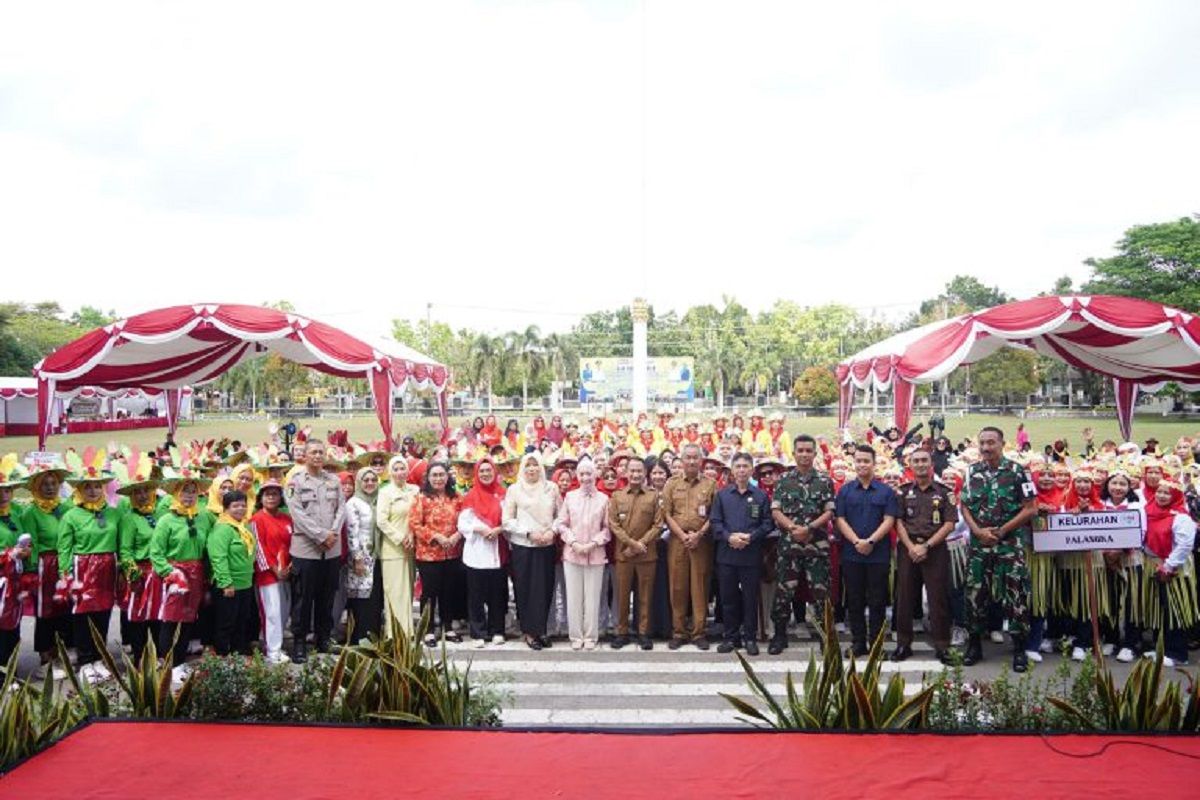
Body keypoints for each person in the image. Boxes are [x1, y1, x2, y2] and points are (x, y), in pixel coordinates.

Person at [960, 427, 1038, 671]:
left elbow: (1031, 508)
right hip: (979, 544)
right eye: (982, 443)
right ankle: (974, 645)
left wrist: (1002, 531)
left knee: (1015, 595)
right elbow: (964, 506)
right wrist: (978, 531)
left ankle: (1019, 649)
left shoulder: (1018, 472)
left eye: (991, 443)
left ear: (1002, 444)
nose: (986, 448)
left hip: (1009, 545)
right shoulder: (971, 471)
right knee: (975, 594)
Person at [769, 434, 836, 655]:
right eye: (801, 450)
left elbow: (829, 511)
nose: (805, 454)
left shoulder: (825, 480)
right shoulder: (784, 480)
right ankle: (779, 636)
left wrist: (809, 528)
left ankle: (825, 637)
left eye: (809, 451)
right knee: (783, 592)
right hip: (789, 547)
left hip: (817, 546)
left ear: (815, 454)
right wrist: (792, 528)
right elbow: (776, 510)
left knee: (820, 593)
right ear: (794, 453)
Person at [57, 465, 121, 683]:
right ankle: (85, 662)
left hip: (107, 567)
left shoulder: (113, 513)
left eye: (97, 486)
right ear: (80, 490)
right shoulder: (71, 516)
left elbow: (120, 543)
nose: (93, 491)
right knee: (83, 616)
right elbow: (64, 547)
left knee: (103, 613)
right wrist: (65, 575)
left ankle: (99, 659)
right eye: (88, 487)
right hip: (82, 567)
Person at [892, 448, 957, 663]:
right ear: (909, 464)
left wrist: (926, 546)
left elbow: (949, 524)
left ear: (931, 464)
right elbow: (898, 521)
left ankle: (942, 645)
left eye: (924, 460)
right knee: (904, 598)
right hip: (907, 550)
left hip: (935, 550)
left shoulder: (945, 492)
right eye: (916, 461)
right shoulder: (901, 492)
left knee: (938, 598)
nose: (920, 464)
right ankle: (903, 644)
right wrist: (911, 546)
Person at [834, 445, 899, 657]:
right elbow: (840, 519)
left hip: (878, 555)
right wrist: (856, 542)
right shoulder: (845, 490)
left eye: (866, 461)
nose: (862, 464)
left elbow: (889, 520)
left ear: (874, 463)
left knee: (877, 601)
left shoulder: (886, 491)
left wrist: (870, 541)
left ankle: (876, 645)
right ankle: (858, 643)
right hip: (852, 555)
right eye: (859, 461)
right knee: (854, 600)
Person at [285, 438, 345, 663]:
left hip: (331, 550)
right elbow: (297, 514)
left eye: (321, 452)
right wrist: (321, 535)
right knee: (303, 599)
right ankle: (299, 643)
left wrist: (332, 533)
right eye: (313, 452)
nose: (318, 456)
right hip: (306, 550)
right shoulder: (295, 482)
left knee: (327, 597)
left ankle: (323, 639)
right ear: (305, 455)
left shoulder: (333, 480)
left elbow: (341, 510)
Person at [151, 468, 214, 676]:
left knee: (189, 618)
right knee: (171, 620)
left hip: (196, 573)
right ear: (176, 493)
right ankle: (170, 663)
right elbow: (156, 553)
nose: (189, 495)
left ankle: (181, 660)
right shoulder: (166, 521)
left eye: (193, 491)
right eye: (185, 491)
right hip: (175, 574)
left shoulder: (203, 517)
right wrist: (169, 572)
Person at [711, 452, 773, 655]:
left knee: (749, 598)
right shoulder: (722, 495)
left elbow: (767, 524)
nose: (741, 470)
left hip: (750, 555)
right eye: (737, 466)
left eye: (745, 466)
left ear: (752, 470)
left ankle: (750, 638)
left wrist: (750, 537)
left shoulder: (760, 496)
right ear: (732, 470)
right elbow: (715, 522)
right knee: (728, 598)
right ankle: (731, 638)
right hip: (727, 555)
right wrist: (729, 537)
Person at [661, 443, 718, 650]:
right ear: (682, 460)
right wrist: (682, 535)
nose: (692, 461)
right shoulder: (671, 484)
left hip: (701, 543)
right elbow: (666, 513)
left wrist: (699, 534)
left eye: (696, 457)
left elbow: (714, 514)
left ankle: (699, 632)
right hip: (678, 541)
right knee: (677, 587)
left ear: (701, 460)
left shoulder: (710, 484)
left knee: (700, 586)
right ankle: (678, 631)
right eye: (688, 457)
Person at [503, 452, 560, 650]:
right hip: (524, 546)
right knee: (525, 589)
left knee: (544, 589)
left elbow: (560, 516)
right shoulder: (514, 489)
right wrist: (528, 533)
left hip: (546, 545)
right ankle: (528, 632)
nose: (532, 469)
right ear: (522, 468)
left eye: (536, 465)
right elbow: (507, 521)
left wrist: (553, 531)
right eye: (528, 465)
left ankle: (541, 629)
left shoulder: (551, 488)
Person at [22, 461, 74, 679]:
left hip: (65, 563)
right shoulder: (31, 513)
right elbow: (31, 544)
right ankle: (45, 658)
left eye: (54, 483)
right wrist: (32, 572)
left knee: (66, 609)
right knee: (46, 613)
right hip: (44, 566)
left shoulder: (66, 508)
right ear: (36, 487)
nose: (50, 488)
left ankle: (63, 653)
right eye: (45, 484)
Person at [554, 456, 611, 650]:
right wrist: (573, 542)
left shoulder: (604, 499)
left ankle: (591, 636)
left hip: (595, 554)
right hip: (572, 553)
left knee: (593, 597)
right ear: (576, 476)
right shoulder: (570, 497)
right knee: (573, 596)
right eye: (582, 474)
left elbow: (608, 528)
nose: (586, 477)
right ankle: (576, 635)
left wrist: (594, 543)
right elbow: (561, 523)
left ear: (596, 474)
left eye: (589, 473)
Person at [608, 456, 663, 650]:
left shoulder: (653, 496)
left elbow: (658, 524)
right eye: (632, 471)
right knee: (622, 595)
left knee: (645, 595)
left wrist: (641, 544)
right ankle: (621, 632)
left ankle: (643, 632)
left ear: (645, 473)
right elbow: (614, 524)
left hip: (647, 555)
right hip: (624, 555)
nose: (635, 474)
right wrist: (631, 544)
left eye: (639, 471)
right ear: (626, 473)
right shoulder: (617, 496)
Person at [1141, 480, 1196, 666]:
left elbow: (1185, 545)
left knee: (1174, 610)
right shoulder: (1149, 511)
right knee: (1159, 609)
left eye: (1167, 493)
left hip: (1173, 569)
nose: (1162, 496)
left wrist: (1169, 566)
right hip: (1154, 564)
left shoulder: (1181, 517)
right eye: (1159, 492)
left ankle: (1177, 653)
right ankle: (1160, 649)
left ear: (1176, 497)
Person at [410, 461, 464, 645]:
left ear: (448, 477)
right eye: (435, 475)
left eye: (442, 475)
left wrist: (457, 535)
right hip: (429, 554)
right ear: (428, 478)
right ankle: (429, 629)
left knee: (449, 591)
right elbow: (415, 524)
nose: (438, 479)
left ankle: (447, 627)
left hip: (452, 552)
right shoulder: (421, 498)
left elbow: (465, 520)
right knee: (430, 592)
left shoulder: (456, 497)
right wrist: (437, 537)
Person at [459, 458, 509, 647]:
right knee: (476, 595)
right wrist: (480, 529)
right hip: (477, 551)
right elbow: (463, 523)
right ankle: (478, 632)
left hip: (498, 550)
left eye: (489, 470)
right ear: (477, 474)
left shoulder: (503, 494)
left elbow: (510, 518)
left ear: (494, 472)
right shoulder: (471, 495)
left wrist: (498, 529)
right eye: (482, 471)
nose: (486, 474)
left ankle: (497, 630)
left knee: (497, 594)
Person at [116, 467, 162, 662]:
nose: (142, 496)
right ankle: (140, 657)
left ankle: (159, 655)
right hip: (140, 572)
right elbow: (125, 551)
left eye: (146, 491)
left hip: (158, 571)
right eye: (137, 492)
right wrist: (133, 574)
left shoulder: (160, 515)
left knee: (158, 617)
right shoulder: (128, 519)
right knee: (138, 617)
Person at [207, 490, 258, 656]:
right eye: (235, 506)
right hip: (229, 585)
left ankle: (237, 654)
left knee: (241, 622)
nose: (240, 509)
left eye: (243, 505)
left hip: (245, 583)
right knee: (225, 623)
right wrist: (226, 583)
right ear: (226, 508)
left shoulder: (243, 527)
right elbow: (218, 557)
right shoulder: (222, 529)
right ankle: (222, 656)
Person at [376, 456, 419, 637]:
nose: (400, 472)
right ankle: (395, 632)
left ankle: (408, 630)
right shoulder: (386, 492)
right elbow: (381, 521)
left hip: (411, 546)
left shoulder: (414, 490)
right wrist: (400, 537)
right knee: (394, 591)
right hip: (393, 548)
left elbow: (418, 515)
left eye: (403, 468)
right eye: (396, 469)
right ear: (390, 472)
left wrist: (411, 534)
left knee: (408, 589)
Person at [251, 479, 292, 663]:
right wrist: (275, 569)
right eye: (267, 494)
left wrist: (289, 567)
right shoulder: (256, 519)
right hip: (267, 574)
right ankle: (272, 652)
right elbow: (258, 548)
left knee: (283, 611)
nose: (271, 497)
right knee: (272, 612)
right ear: (261, 498)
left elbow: (294, 543)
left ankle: (278, 646)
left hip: (287, 572)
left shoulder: (286, 518)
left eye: (275, 494)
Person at [344, 467, 382, 641]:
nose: (370, 483)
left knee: (374, 597)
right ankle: (358, 637)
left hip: (377, 555)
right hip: (361, 556)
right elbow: (352, 533)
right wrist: (357, 558)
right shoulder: (353, 503)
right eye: (365, 480)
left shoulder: (378, 500)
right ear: (359, 483)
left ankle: (374, 636)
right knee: (361, 597)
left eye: (373, 480)